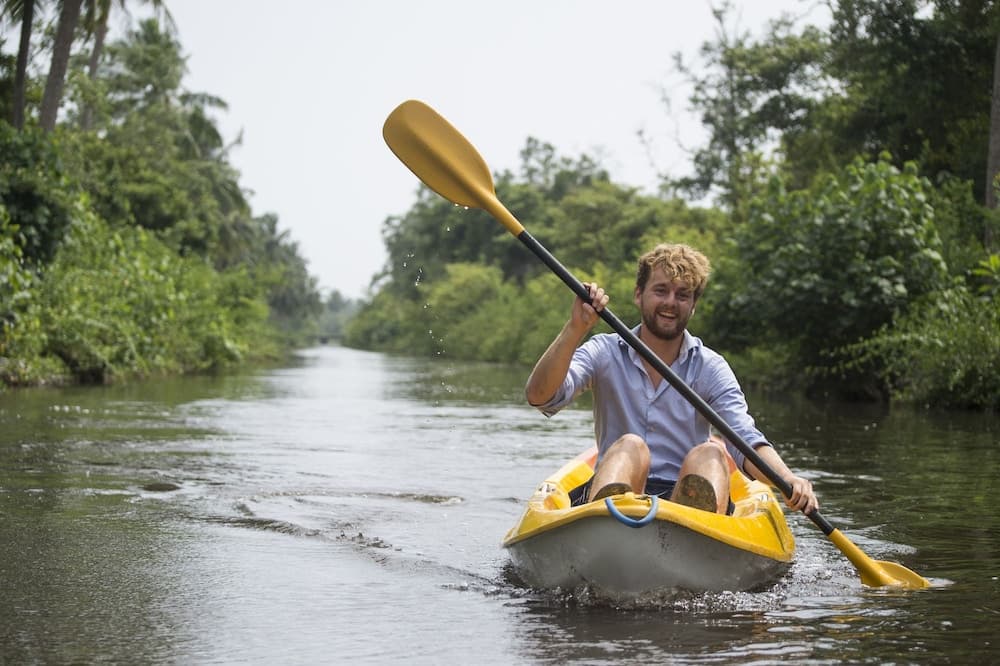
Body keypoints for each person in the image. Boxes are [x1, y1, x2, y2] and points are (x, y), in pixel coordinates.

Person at [525, 243, 818, 515]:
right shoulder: (604, 351)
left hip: (682, 500)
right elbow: (540, 397)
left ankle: (694, 527)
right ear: (638, 295)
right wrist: (576, 328)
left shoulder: (710, 367)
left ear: (693, 305)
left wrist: (788, 479)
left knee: (710, 453)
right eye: (661, 290)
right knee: (631, 446)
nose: (670, 302)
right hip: (616, 490)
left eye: (682, 295)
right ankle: (608, 520)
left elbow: (745, 439)